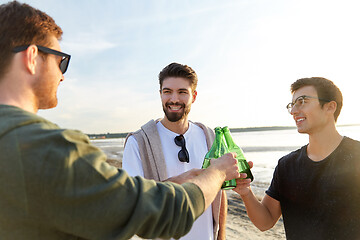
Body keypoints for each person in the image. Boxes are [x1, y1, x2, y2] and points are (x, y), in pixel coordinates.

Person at [0, 2, 241, 239]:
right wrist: (218, 173)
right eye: (61, 61)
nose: (62, 75)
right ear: (32, 57)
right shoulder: (51, 150)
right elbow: (161, 214)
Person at [233, 77, 360, 239]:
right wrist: (246, 193)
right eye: (292, 105)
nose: (293, 111)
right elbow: (266, 221)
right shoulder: (287, 165)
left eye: (302, 101)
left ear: (330, 107)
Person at [122, 62, 227, 240]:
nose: (174, 99)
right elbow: (131, 204)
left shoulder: (210, 137)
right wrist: (177, 182)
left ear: (193, 96)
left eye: (182, 92)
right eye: (167, 91)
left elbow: (220, 191)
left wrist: (221, 235)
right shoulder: (137, 143)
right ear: (160, 94)